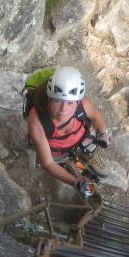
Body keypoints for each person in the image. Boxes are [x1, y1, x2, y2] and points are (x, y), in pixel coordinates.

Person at [26, 66, 111, 197]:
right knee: (59, 161)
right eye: (58, 101)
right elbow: (48, 162)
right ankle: (69, 165)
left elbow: (96, 117)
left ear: (77, 103)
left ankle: (88, 155)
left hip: (82, 138)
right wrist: (75, 181)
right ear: (50, 99)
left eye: (70, 103)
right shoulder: (37, 121)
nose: (63, 109)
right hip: (58, 150)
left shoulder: (84, 104)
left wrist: (104, 134)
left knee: (91, 140)